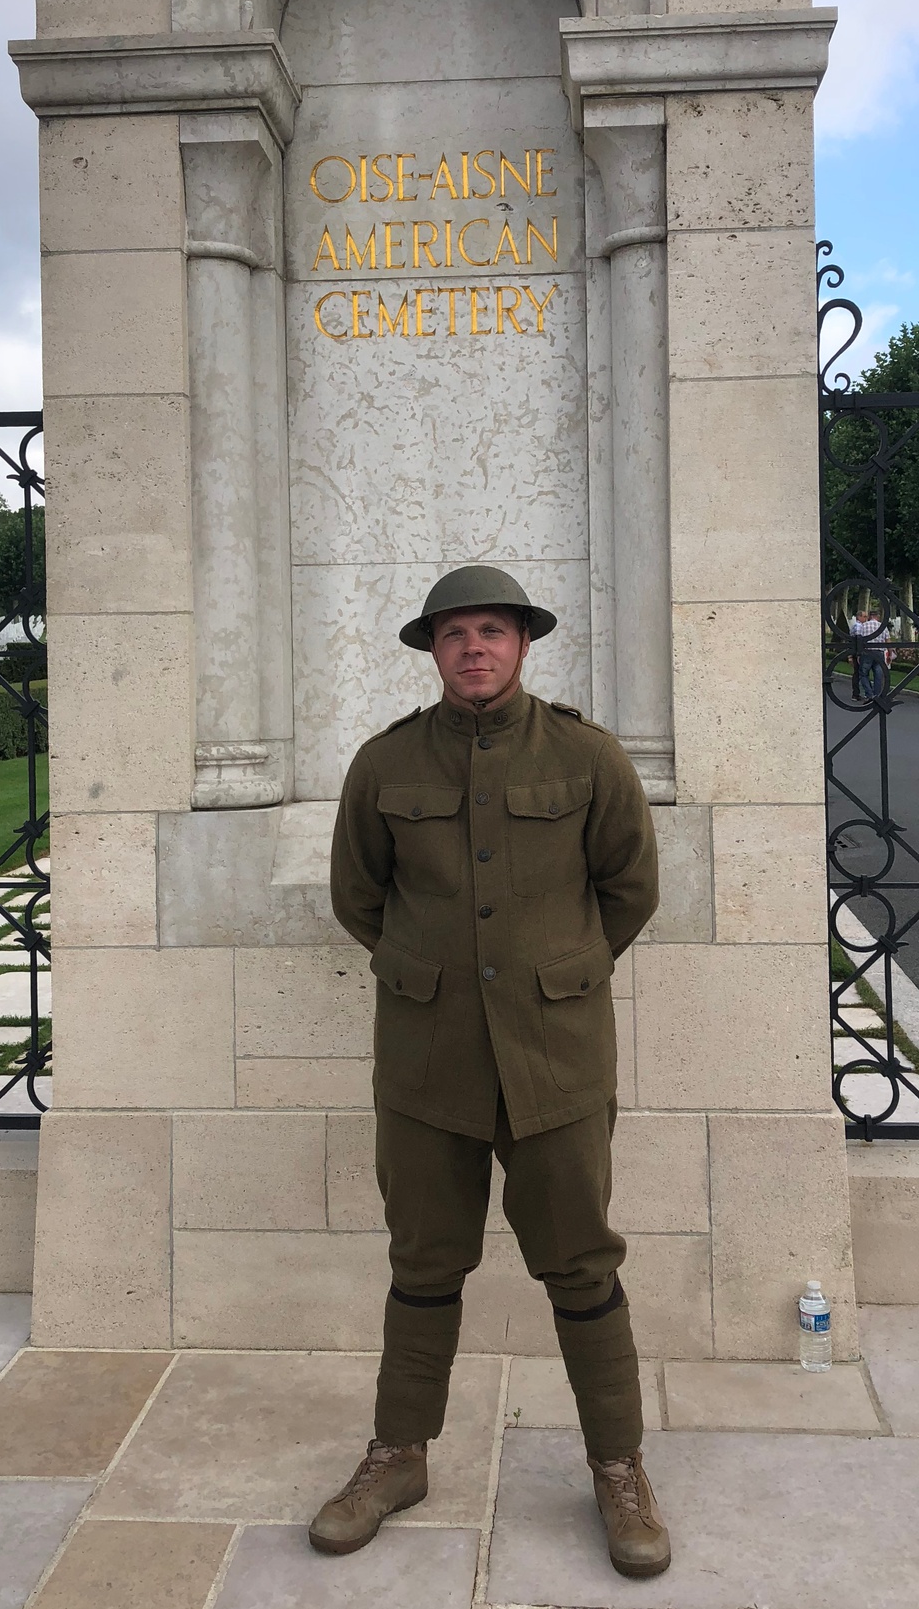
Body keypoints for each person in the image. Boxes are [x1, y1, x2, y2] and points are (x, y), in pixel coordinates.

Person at [310, 565, 670, 1580]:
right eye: (455, 632)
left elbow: (629, 887)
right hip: (427, 1059)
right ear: (432, 648)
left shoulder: (587, 756)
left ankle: (618, 1467)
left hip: (556, 1056)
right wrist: (432, 974)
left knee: (583, 1266)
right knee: (423, 1263)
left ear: (523, 643)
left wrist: (559, 972)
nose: (474, 646)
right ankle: (397, 1455)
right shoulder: (384, 765)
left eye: (493, 630)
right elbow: (357, 894)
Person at [858, 609, 890, 703]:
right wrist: (890, 654)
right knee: (878, 674)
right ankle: (877, 695)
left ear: (869, 616)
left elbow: (859, 640)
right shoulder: (882, 626)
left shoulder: (864, 626)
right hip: (879, 652)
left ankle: (869, 694)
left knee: (863, 673)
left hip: (867, 652)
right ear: (877, 616)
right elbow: (888, 641)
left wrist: (858, 654)